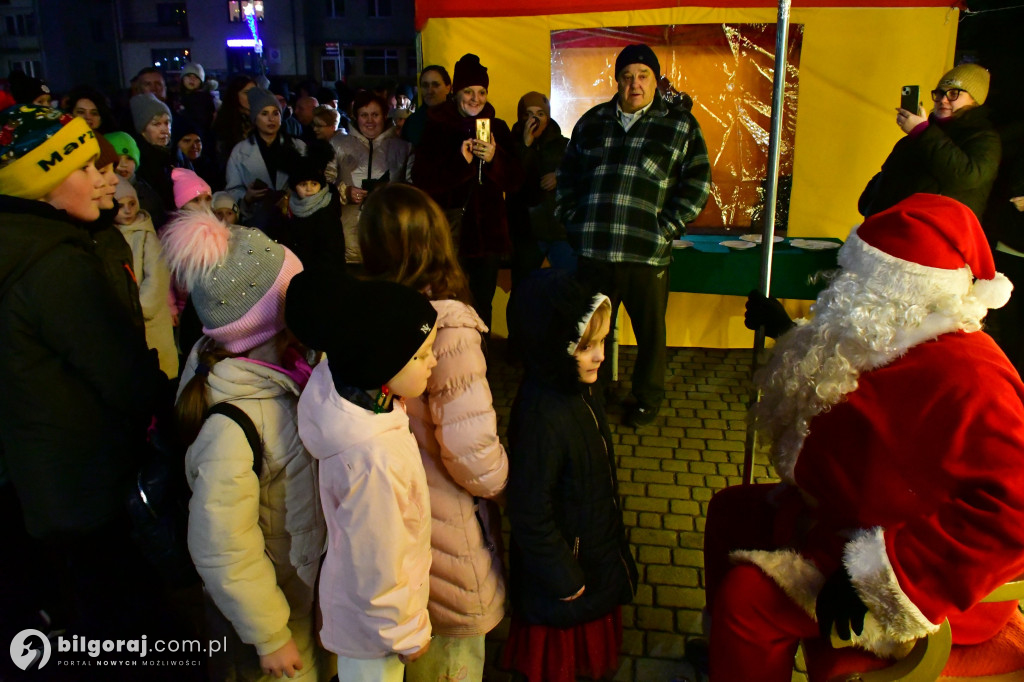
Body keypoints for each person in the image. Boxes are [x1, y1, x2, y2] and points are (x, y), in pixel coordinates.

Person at [704, 193, 1024, 681]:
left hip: (911, 571)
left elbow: (1015, 509)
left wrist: (882, 575)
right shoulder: (897, 335)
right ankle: (726, 660)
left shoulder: (973, 378)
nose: (843, 288)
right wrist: (786, 332)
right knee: (733, 510)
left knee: (747, 599)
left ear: (904, 291)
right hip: (844, 518)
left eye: (861, 281)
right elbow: (849, 372)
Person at [0, 105, 170, 666]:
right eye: (86, 169)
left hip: (51, 473)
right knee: (121, 627)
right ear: (45, 185)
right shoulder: (54, 265)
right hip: (86, 480)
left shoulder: (35, 243)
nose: (107, 178)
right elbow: (120, 372)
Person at [161, 210, 327, 681]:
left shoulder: (288, 371)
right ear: (276, 315)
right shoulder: (232, 427)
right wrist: (268, 633)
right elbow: (222, 545)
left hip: (298, 592)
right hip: (267, 623)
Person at [358, 184, 509, 682]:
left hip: (388, 529)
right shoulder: (448, 326)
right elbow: (473, 455)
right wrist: (507, 487)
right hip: (445, 530)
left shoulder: (365, 313)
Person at [287, 272, 438, 682]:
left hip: (362, 618)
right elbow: (377, 561)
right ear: (381, 365)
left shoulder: (348, 393)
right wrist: (406, 633)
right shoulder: (375, 459)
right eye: (422, 355)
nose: (434, 362)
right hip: (377, 633)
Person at [557, 43, 711, 428]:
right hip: (594, 251)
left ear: (655, 81)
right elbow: (567, 177)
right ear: (617, 81)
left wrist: (668, 228)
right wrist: (573, 220)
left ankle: (646, 399)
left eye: (643, 76)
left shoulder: (679, 126)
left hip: (647, 254)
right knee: (589, 329)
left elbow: (697, 182)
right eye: (627, 76)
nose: (634, 84)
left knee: (649, 335)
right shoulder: (591, 123)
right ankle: (588, 390)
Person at [501, 269, 638, 682]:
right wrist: (561, 572)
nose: (600, 355)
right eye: (586, 346)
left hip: (589, 561)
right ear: (551, 346)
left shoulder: (578, 389)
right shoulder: (543, 416)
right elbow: (528, 509)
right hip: (565, 579)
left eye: (602, 342)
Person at [412, 53, 524, 330]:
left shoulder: (496, 128)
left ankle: (480, 363)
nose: (476, 98)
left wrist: (495, 159)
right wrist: (461, 163)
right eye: (469, 91)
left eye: (482, 92)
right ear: (456, 93)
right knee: (448, 302)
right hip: (450, 234)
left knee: (482, 303)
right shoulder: (437, 128)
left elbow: (516, 181)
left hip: (488, 236)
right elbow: (423, 181)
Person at [859, 63, 1000, 220]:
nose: (943, 100)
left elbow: (967, 176)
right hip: (889, 229)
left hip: (932, 235)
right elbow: (890, 176)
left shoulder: (984, 138)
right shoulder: (922, 133)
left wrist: (923, 132)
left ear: (975, 100)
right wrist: (869, 203)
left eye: (953, 94)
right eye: (939, 94)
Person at [330, 90, 412, 266]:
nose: (369, 120)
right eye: (364, 115)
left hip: (390, 237)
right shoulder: (337, 145)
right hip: (348, 241)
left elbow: (412, 191)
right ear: (356, 117)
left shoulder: (404, 148)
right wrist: (345, 192)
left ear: (384, 116)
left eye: (375, 114)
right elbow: (323, 187)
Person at [113, 181, 178, 379]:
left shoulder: (145, 235)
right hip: (127, 317)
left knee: (159, 368)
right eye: (120, 205)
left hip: (149, 318)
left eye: (131, 204)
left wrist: (142, 308)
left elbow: (157, 276)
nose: (127, 211)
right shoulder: (110, 235)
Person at [508, 91, 573, 282]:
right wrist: (525, 145)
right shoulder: (510, 146)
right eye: (528, 114)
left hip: (559, 230)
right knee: (523, 292)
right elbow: (511, 180)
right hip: (525, 232)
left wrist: (559, 177)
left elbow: (580, 177)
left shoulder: (564, 146)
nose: (534, 119)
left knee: (568, 289)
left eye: (540, 114)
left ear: (548, 117)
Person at [224, 86, 306, 234]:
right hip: (256, 225)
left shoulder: (298, 147)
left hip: (294, 221)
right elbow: (232, 190)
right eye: (264, 113)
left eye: (276, 113)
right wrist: (247, 198)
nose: (271, 119)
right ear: (255, 118)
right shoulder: (240, 152)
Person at [284, 140, 345, 271]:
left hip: (324, 275)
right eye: (303, 184)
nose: (309, 189)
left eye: (314, 183)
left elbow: (333, 250)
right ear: (295, 186)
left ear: (320, 184)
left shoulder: (327, 210)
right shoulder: (290, 207)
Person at [130, 92, 176, 225]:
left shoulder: (176, 155)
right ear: (142, 130)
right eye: (156, 124)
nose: (164, 130)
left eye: (167, 123)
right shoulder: (140, 163)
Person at [402, 65, 451, 146]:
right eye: (425, 85)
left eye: (435, 85)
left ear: (448, 88)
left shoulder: (460, 120)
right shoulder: (412, 123)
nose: (430, 91)